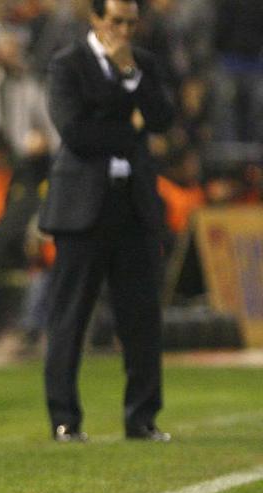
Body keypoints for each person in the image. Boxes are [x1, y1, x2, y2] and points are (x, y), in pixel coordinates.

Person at [38, 0, 174, 442]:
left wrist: (130, 76)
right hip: (81, 207)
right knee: (70, 318)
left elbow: (164, 118)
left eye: (131, 23)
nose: (124, 31)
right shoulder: (67, 64)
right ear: (95, 18)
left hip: (133, 203)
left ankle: (142, 418)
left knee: (141, 319)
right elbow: (75, 133)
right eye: (116, 21)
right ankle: (64, 420)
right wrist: (130, 124)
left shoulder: (143, 64)